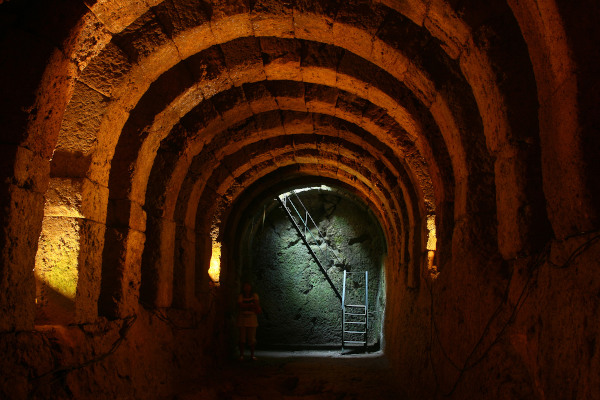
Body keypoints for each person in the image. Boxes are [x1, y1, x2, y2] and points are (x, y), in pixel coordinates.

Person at [237, 282, 261, 360]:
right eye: (245, 286)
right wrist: (250, 305)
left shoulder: (254, 296)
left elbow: (256, 306)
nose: (247, 288)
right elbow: (240, 306)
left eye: (248, 286)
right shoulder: (241, 296)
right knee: (242, 338)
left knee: (252, 338)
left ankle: (252, 355)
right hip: (242, 319)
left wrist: (246, 306)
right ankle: (241, 355)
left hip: (251, 319)